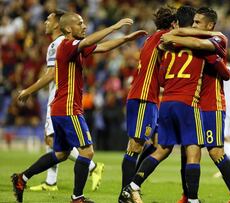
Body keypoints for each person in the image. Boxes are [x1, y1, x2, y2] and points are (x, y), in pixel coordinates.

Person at [11, 12, 147, 203]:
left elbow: (101, 47)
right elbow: (90, 40)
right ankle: (77, 198)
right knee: (87, 152)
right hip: (68, 108)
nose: (84, 26)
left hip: (60, 107)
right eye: (80, 23)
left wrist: (125, 39)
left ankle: (21, 178)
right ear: (68, 29)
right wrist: (115, 27)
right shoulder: (67, 45)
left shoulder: (75, 47)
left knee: (61, 153)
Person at [161, 7, 230, 203]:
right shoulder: (195, 46)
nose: (194, 25)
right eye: (193, 22)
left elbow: (200, 46)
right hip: (193, 103)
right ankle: (188, 195)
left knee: (216, 151)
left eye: (198, 23)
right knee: (189, 149)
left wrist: (172, 38)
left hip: (212, 103)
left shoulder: (217, 39)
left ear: (209, 25)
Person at [17, 9, 104, 193]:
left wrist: (29, 91)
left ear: (58, 24)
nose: (45, 23)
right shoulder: (63, 43)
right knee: (58, 147)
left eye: (48, 20)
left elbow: (51, 75)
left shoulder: (59, 44)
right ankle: (54, 183)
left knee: (59, 147)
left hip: (62, 101)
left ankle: (87, 170)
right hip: (64, 102)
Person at [117, 6, 177, 203]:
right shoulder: (165, 38)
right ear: (173, 24)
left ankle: (132, 186)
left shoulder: (152, 37)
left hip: (149, 97)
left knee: (158, 145)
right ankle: (126, 194)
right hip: (143, 97)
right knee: (135, 145)